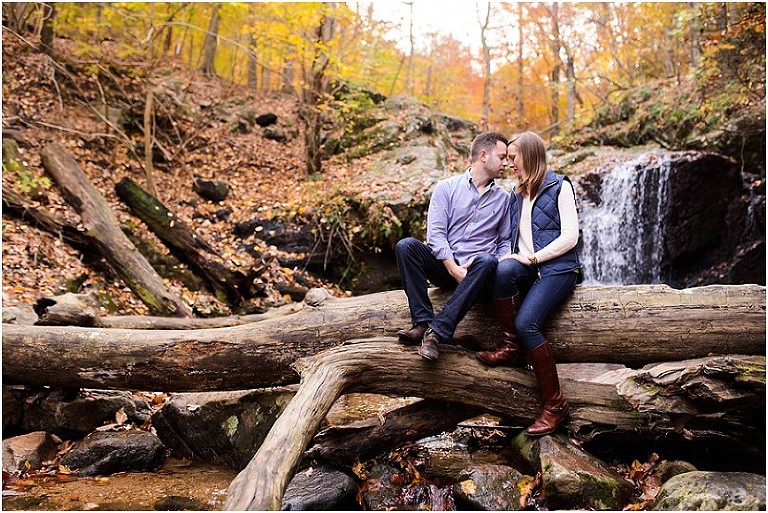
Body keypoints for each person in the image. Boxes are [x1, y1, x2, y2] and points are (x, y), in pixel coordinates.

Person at [476, 131, 581, 436]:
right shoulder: (517, 194)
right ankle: (510, 346)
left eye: (513, 158)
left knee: (527, 324)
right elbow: (512, 242)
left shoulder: (560, 186)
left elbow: (570, 237)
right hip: (528, 268)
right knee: (503, 269)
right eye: (507, 158)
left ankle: (555, 405)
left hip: (558, 270)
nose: (509, 163)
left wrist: (534, 258)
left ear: (530, 156)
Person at [395, 132, 512, 361]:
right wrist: (452, 268)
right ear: (484, 155)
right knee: (406, 246)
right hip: (446, 267)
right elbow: (436, 234)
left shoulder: (504, 199)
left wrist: (494, 263)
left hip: (479, 273)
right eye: (502, 157)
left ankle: (437, 332)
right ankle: (422, 322)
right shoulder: (446, 188)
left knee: (487, 260)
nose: (506, 163)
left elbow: (505, 242)